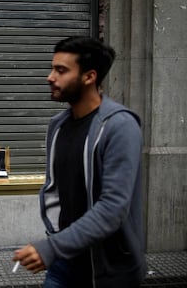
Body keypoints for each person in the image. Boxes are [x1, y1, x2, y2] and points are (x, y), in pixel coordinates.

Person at [12, 37, 146, 288]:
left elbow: (112, 209)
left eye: (61, 70)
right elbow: (54, 188)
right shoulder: (58, 125)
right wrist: (55, 238)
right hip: (64, 263)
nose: (50, 77)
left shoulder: (120, 127)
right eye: (52, 68)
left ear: (89, 77)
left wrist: (51, 247)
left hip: (109, 269)